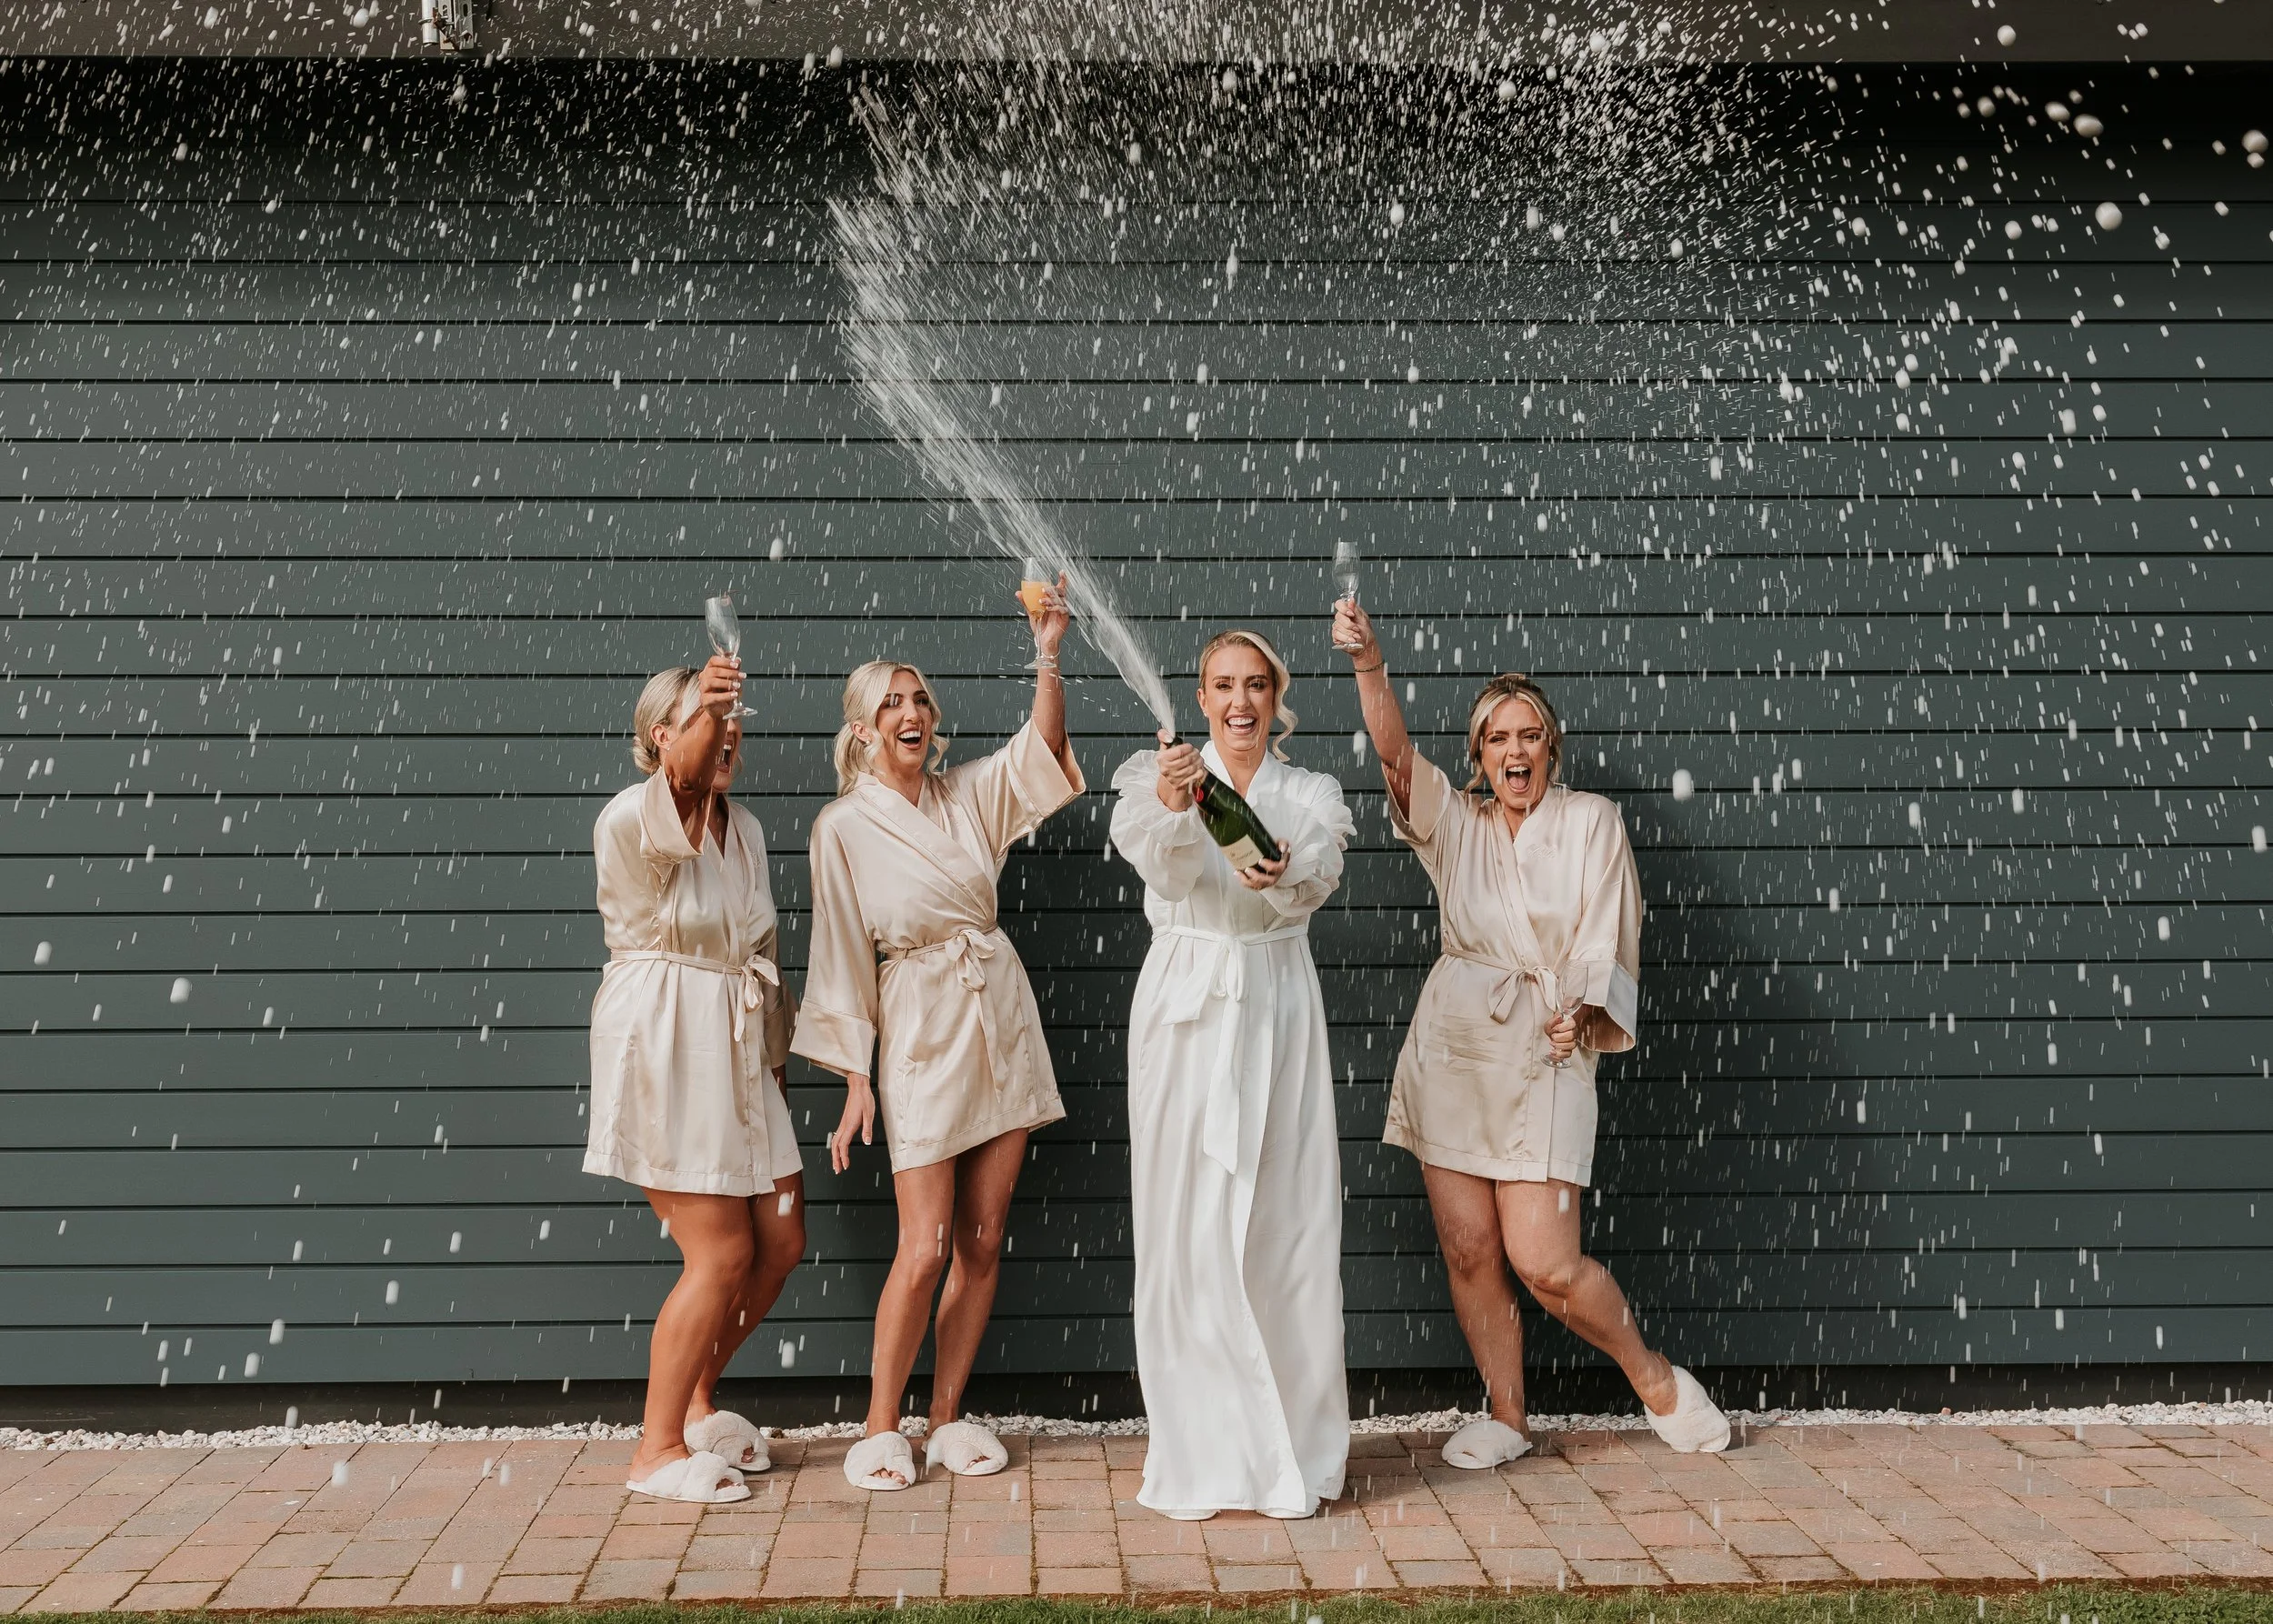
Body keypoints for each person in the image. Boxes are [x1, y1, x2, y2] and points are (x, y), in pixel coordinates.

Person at [1334, 599, 1731, 1463]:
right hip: (1455, 1048)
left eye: (1530, 736)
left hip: (1547, 1043)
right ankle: (1509, 1415)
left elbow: (1608, 933)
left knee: (1546, 1262)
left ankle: (1651, 1373)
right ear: (1476, 757)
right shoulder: (1455, 825)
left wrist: (1582, 1011)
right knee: (1470, 1248)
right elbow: (1396, 757)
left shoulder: (1593, 822)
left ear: (1550, 746)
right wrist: (1371, 665)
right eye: (1498, 738)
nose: (1515, 752)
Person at [794, 580, 1081, 1491]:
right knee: (922, 1245)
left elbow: (1042, 751)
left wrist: (1047, 651)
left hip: (996, 1007)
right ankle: (881, 1427)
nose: (910, 712)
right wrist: (855, 1077)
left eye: (919, 699)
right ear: (864, 729)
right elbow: (839, 950)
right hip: (917, 1020)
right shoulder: (840, 828)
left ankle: (947, 1415)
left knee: (984, 1237)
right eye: (891, 703)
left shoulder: (966, 797)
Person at [1109, 629, 1354, 1520]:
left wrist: (1287, 873)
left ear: (1275, 694)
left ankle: (1291, 1442)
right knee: (1186, 1222)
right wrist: (1178, 809)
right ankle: (1204, 1450)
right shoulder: (1153, 777)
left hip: (1278, 1005)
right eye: (1222, 685)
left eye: (1256, 684)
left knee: (1286, 1223)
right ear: (1202, 697)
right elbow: (1164, 871)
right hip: (1186, 1007)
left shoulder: (1310, 792)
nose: (1240, 700)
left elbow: (1313, 874)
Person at [586, 655, 806, 1504]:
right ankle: (654, 1452)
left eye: (731, 721)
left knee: (780, 1243)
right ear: (660, 737)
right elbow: (680, 784)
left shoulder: (744, 827)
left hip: (744, 1045)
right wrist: (709, 706)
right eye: (708, 719)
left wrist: (777, 1065)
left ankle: (696, 1399)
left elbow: (763, 953)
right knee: (719, 1254)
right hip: (670, 1035)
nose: (727, 734)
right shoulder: (634, 815)